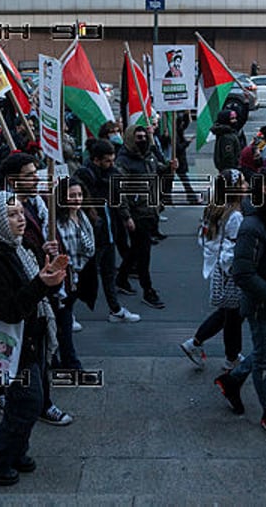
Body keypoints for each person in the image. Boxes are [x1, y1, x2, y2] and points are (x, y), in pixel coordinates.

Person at [0, 191, 68, 486]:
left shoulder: (19, 246)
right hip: (11, 343)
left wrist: (48, 274)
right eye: (12, 215)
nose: (21, 220)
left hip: (31, 337)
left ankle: (15, 451)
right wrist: (41, 283)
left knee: (22, 402)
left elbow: (36, 286)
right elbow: (9, 310)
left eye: (21, 213)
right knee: (28, 403)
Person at [214, 166, 266, 443]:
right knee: (264, 360)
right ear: (265, 189)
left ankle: (232, 380)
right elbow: (242, 272)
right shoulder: (250, 226)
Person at [180, 169, 247, 371]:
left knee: (229, 313)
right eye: (242, 183)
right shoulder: (234, 215)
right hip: (230, 272)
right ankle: (231, 357)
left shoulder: (215, 208)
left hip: (219, 269)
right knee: (234, 314)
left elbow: (205, 239)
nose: (246, 186)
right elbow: (231, 248)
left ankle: (196, 343)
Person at [73, 140, 141, 323]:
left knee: (109, 273)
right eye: (108, 161)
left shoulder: (112, 175)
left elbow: (118, 198)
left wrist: (126, 217)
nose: (112, 164)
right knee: (81, 275)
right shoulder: (84, 177)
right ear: (96, 160)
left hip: (109, 232)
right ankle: (67, 312)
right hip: (93, 234)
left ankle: (116, 310)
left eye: (112, 160)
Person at [115, 125, 177, 308]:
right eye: (138, 138)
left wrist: (169, 167)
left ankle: (121, 278)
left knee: (136, 249)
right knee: (143, 253)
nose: (142, 140)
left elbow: (158, 169)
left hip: (151, 210)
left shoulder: (148, 155)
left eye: (144, 137)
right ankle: (148, 290)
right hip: (137, 214)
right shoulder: (123, 162)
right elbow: (120, 192)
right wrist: (127, 216)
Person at [53, 178, 97, 368]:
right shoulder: (57, 222)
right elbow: (65, 251)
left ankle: (57, 358)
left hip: (77, 276)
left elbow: (90, 248)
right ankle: (71, 363)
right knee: (63, 322)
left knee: (63, 321)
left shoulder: (83, 217)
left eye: (79, 195)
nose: (76, 199)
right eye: (72, 195)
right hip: (62, 278)